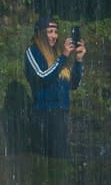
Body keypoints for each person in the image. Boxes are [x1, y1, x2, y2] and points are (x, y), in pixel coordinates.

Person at [24, 14, 86, 158]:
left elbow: (73, 84)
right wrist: (63, 57)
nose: (54, 36)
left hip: (61, 114)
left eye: (56, 32)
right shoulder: (32, 52)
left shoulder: (57, 56)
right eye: (50, 31)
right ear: (40, 33)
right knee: (56, 158)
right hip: (44, 115)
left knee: (62, 158)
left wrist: (78, 60)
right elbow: (42, 77)